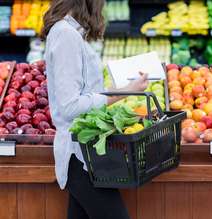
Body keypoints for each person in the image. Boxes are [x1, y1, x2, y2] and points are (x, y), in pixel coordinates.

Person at [41, 0, 148, 218]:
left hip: (88, 154)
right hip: (79, 157)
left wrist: (122, 89)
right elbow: (70, 105)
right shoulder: (66, 35)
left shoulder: (69, 32)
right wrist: (122, 93)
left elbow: (83, 92)